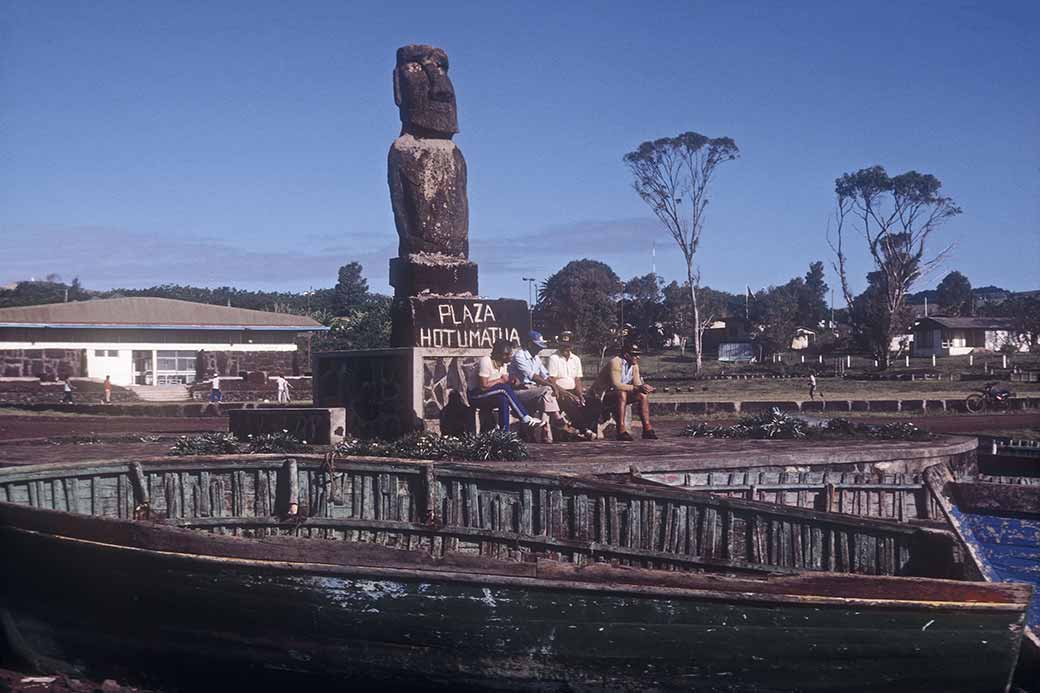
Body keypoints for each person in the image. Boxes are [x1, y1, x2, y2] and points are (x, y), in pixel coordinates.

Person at [510, 331, 579, 440]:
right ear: (529, 344)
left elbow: (547, 377)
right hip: (519, 392)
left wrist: (563, 391)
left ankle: (546, 432)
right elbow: (533, 376)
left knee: (546, 397)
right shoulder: (520, 355)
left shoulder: (536, 358)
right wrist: (552, 386)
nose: (539, 349)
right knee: (547, 390)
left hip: (534, 391)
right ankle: (558, 421)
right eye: (537, 346)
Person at [468, 339, 544, 434]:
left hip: (489, 396)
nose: (509, 357)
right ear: (498, 354)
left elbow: (500, 385)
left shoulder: (503, 365)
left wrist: (513, 382)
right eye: (506, 354)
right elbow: (483, 386)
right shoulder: (486, 361)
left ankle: (505, 433)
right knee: (503, 389)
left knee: (503, 398)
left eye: (510, 354)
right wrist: (502, 381)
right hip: (475, 396)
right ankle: (525, 417)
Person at [588, 342, 657, 441]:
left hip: (616, 395)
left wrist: (644, 388)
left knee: (642, 395)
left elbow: (637, 385)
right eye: (635, 355)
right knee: (622, 393)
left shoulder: (634, 366)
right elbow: (616, 385)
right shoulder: (615, 362)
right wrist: (637, 388)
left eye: (638, 355)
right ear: (626, 355)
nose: (638, 357)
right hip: (601, 397)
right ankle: (621, 429)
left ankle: (647, 428)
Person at [548, 331, 592, 437]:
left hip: (573, 390)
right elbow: (551, 380)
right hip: (559, 391)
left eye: (568, 346)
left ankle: (581, 428)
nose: (565, 349)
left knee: (592, 402)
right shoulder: (554, 358)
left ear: (571, 345)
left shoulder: (576, 359)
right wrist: (567, 394)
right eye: (563, 346)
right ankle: (583, 429)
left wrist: (580, 395)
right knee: (569, 401)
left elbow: (577, 379)